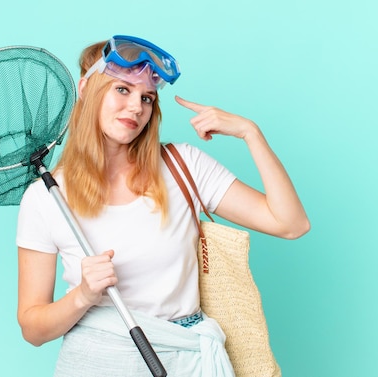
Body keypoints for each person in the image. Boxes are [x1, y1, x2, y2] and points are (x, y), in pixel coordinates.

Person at [16, 35, 310, 376]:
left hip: (189, 361)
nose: (136, 107)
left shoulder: (182, 165)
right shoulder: (45, 197)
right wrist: (83, 295)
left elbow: (291, 224)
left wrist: (250, 133)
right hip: (97, 361)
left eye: (147, 98)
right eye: (122, 89)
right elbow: (33, 329)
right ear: (86, 88)